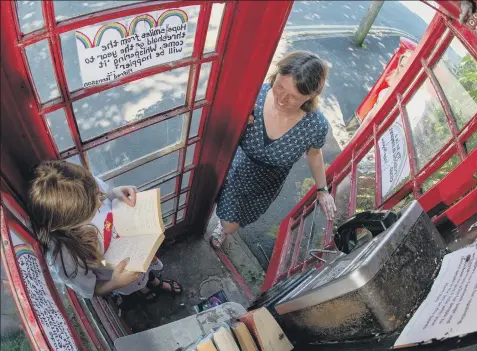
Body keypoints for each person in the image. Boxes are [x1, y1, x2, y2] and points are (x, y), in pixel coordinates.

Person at [211, 51, 336, 248]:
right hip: (234, 168)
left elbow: (314, 154)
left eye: (293, 97)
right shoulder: (254, 95)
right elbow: (218, 122)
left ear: (311, 95)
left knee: (234, 222)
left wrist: (322, 190)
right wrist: (239, 122)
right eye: (279, 87)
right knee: (222, 215)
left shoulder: (315, 125)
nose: (281, 99)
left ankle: (223, 226)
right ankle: (221, 224)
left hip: (264, 184)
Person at [28, 161, 182, 301]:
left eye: (98, 194)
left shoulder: (79, 183)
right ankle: (142, 290)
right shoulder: (66, 258)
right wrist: (116, 282)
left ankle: (153, 281)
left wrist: (114, 193)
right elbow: (90, 289)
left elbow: (103, 192)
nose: (101, 201)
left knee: (146, 271)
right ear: (69, 223)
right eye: (94, 206)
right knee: (134, 282)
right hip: (111, 270)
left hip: (134, 248)